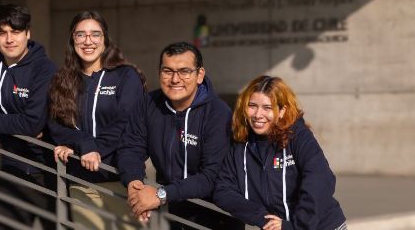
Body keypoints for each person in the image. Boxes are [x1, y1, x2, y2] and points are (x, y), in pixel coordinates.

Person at [117, 41, 243, 230]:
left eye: (184, 71)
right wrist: (135, 186)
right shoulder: (148, 104)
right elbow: (131, 148)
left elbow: (211, 176)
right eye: (167, 71)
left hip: (216, 216)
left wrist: (158, 195)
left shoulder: (218, 113)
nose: (175, 79)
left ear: (200, 75)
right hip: (173, 212)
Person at [48, 11, 146, 230]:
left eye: (95, 34)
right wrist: (82, 145)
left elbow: (126, 123)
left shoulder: (125, 76)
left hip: (121, 180)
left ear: (105, 39)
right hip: (82, 182)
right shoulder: (62, 80)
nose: (88, 41)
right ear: (72, 40)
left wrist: (93, 149)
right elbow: (56, 125)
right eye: (80, 35)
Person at [213, 76, 347, 230]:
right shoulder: (240, 143)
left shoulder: (298, 136)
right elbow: (223, 189)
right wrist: (262, 218)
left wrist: (297, 226)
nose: (257, 114)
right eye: (252, 105)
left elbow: (321, 179)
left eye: (267, 108)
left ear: (282, 111)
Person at [0, 4, 57, 230]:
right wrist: (17, 124)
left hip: (51, 169)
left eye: (15, 32)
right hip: (13, 163)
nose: (9, 39)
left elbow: (31, 123)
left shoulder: (44, 69)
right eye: (2, 32)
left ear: (28, 33)